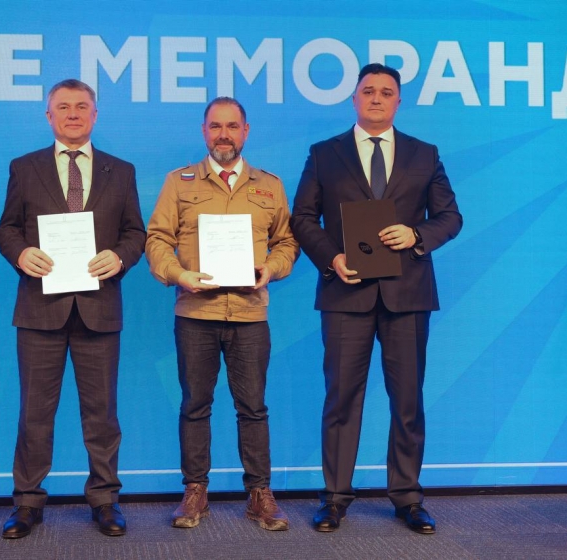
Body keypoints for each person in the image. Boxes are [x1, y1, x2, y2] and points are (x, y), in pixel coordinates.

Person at [291, 63, 463, 534]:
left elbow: (450, 217)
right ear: (354, 99)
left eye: (386, 92)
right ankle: (334, 498)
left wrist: (416, 234)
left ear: (398, 102)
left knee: (407, 401)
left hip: (408, 295)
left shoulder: (424, 154)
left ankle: (407, 498)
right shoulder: (324, 154)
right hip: (345, 293)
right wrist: (331, 258)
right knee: (341, 400)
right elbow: (302, 218)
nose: (376, 98)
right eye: (368, 91)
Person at [0, 79, 145, 538]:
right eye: (63, 107)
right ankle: (27, 502)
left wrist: (119, 257)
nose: (73, 114)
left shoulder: (121, 170)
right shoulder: (24, 167)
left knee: (102, 414)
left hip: (99, 307)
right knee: (34, 414)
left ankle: (105, 499)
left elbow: (135, 233)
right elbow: (7, 229)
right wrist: (21, 253)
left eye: (82, 106)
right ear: (49, 116)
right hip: (39, 309)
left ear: (95, 115)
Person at [146, 97, 299, 531]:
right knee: (195, 404)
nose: (224, 135)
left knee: (253, 408)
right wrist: (178, 274)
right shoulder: (178, 182)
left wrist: (271, 269)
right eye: (216, 126)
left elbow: (287, 242)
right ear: (204, 131)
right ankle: (195, 490)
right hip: (196, 313)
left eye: (232, 126)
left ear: (246, 131)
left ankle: (259, 494)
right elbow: (156, 239)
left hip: (250, 315)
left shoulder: (269, 185)